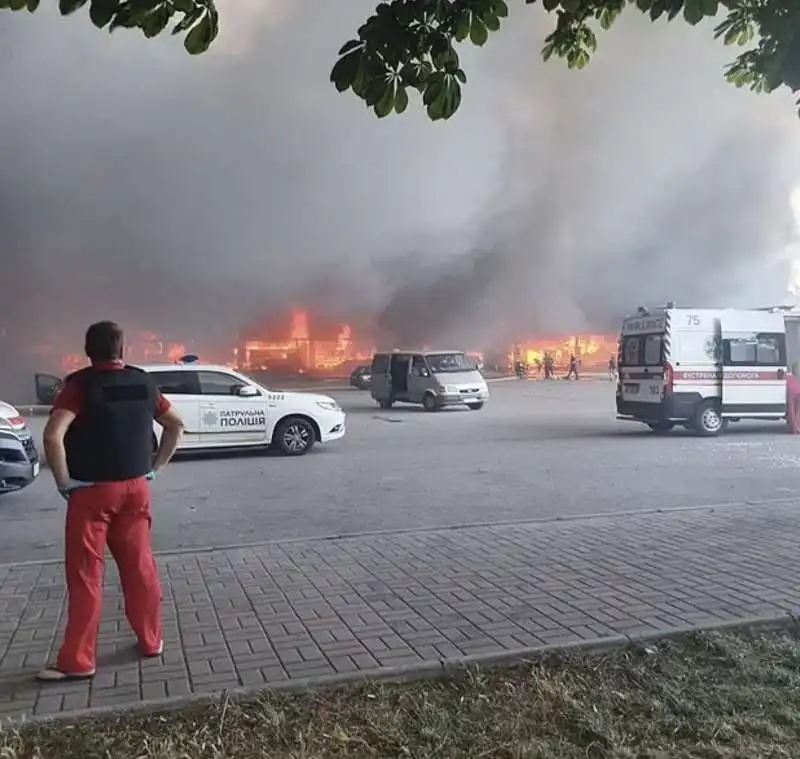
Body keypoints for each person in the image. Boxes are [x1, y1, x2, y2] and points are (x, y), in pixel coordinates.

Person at [37, 321, 184, 682]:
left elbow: (53, 436)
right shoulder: (143, 382)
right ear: (123, 350)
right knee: (140, 569)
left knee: (87, 576)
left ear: (88, 351)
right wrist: (155, 468)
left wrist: (64, 483)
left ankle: (79, 661)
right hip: (136, 489)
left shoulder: (79, 386)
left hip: (91, 493)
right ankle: (152, 641)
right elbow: (176, 425)